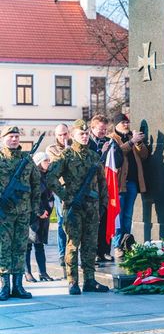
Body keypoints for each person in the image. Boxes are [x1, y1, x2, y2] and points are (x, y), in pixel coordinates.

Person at [46, 119, 109, 295]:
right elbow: (50, 177)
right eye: (81, 134)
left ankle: (89, 280)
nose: (85, 136)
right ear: (73, 136)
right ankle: (73, 281)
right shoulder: (66, 155)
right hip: (74, 208)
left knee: (90, 245)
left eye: (86, 133)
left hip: (92, 207)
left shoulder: (94, 156)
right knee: (73, 244)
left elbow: (102, 182)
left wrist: (103, 204)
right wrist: (66, 196)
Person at [0, 126, 40, 301]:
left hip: (23, 211)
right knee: (3, 248)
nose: (14, 139)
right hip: (4, 213)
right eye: (11, 136)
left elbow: (36, 184)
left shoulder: (26, 159)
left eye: (17, 136)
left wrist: (35, 208)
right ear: (3, 138)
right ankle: (4, 286)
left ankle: (18, 286)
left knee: (20, 247)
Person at [108, 113, 148, 259]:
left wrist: (138, 143)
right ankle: (117, 245)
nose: (126, 125)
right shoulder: (112, 138)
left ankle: (126, 243)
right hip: (118, 183)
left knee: (128, 215)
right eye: (123, 122)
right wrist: (132, 142)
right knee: (118, 216)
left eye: (127, 122)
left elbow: (144, 155)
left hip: (132, 182)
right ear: (116, 124)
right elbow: (118, 152)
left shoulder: (132, 136)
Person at [88, 114, 123, 263]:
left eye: (105, 129)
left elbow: (119, 162)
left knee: (106, 219)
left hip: (107, 186)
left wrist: (113, 152)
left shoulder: (110, 141)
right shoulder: (87, 143)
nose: (103, 132)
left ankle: (105, 251)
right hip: (91, 187)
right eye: (100, 129)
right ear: (92, 128)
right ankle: (95, 251)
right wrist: (101, 152)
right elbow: (90, 163)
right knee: (94, 221)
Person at [45, 123, 71, 275]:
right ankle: (62, 253)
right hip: (60, 189)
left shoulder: (74, 146)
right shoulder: (52, 149)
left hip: (75, 189)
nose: (63, 137)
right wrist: (67, 152)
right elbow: (57, 165)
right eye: (60, 135)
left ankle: (72, 252)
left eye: (65, 134)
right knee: (62, 221)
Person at [25, 152, 54, 283]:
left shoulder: (47, 176)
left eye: (48, 160)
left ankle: (43, 272)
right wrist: (39, 211)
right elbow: (32, 196)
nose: (48, 162)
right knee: (28, 245)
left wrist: (47, 210)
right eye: (45, 160)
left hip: (44, 216)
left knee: (39, 245)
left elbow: (49, 196)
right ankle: (27, 272)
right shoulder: (33, 176)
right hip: (33, 216)